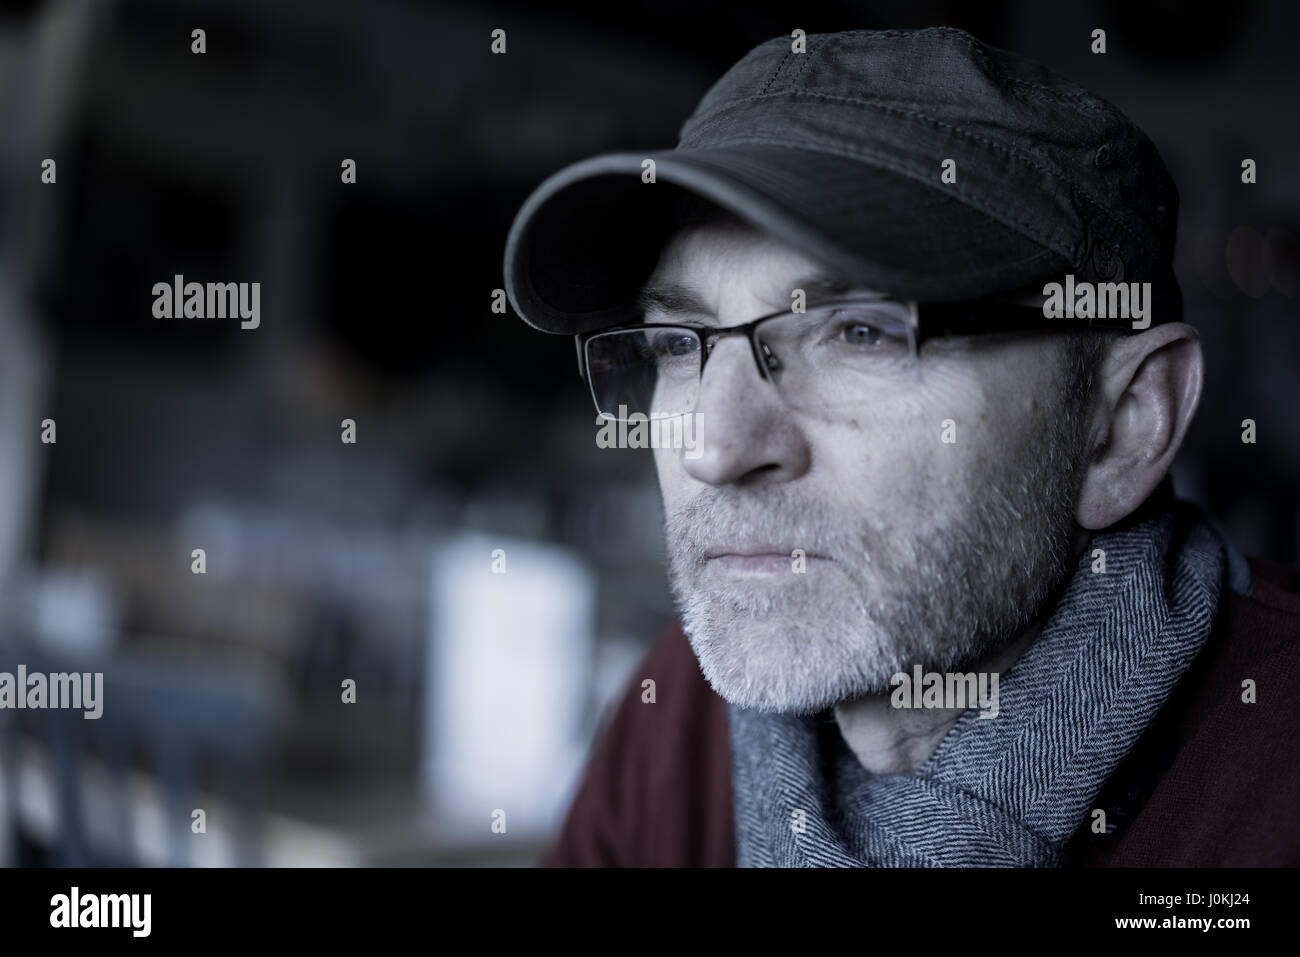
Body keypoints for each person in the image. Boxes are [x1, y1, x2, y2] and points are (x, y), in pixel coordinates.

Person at [502, 26, 1300, 867]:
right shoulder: (678, 719)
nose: (715, 448)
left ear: (1127, 424)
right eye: (677, 343)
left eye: (859, 334)